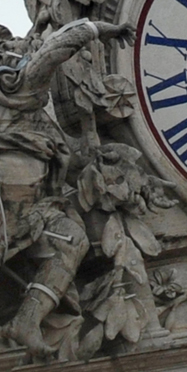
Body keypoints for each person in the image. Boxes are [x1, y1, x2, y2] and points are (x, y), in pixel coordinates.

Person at [0, 19, 132, 360]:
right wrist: (105, 29)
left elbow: (71, 156)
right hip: (14, 207)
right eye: (14, 45)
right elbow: (60, 45)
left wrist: (91, 128)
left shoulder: (30, 108)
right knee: (72, 239)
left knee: (72, 238)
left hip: (27, 211)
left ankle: (26, 320)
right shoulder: (21, 84)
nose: (21, 47)